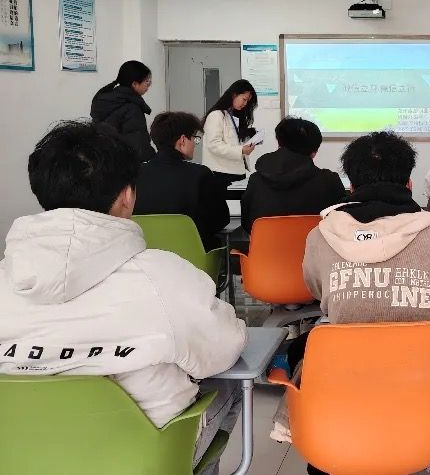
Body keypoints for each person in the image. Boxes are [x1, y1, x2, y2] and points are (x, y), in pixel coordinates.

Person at [0, 120, 246, 475]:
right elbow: (223, 350)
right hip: (145, 455)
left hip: (19, 454)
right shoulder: (163, 275)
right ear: (128, 196)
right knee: (228, 384)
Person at [297, 131, 430, 474]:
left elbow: (317, 291)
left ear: (351, 186)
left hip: (340, 383)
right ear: (408, 183)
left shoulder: (320, 235)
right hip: (423, 380)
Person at [134, 112, 230, 250]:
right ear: (183, 140)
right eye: (195, 138)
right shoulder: (200, 174)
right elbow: (221, 220)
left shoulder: (135, 174)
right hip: (194, 257)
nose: (195, 144)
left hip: (148, 254)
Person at [241, 117, 345, 233]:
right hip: (314, 244)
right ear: (314, 152)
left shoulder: (256, 180)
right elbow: (341, 223)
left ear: (279, 144)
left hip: (267, 244)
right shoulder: (329, 181)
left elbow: (247, 224)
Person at [90, 60, 155, 161]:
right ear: (134, 84)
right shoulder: (132, 108)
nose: (149, 85)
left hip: (105, 162)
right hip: (125, 165)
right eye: (146, 81)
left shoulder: (107, 101)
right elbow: (139, 148)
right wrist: (154, 156)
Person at [203, 79, 258, 188]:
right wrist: (241, 150)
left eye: (247, 101)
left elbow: (233, 142)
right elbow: (214, 145)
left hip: (236, 171)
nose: (245, 104)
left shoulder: (233, 116)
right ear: (234, 94)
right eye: (244, 99)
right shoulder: (216, 115)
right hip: (220, 173)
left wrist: (248, 143)